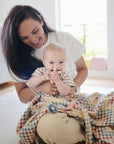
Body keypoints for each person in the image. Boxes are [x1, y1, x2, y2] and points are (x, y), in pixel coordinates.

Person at [1, 5, 88, 144]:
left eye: (35, 31)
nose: (34, 39)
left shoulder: (64, 39)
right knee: (52, 128)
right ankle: (85, 130)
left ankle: (83, 126)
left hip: (73, 102)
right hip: (48, 108)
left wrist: (72, 87)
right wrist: (40, 88)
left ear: (41, 20)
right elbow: (23, 96)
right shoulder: (17, 57)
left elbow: (83, 69)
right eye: (24, 38)